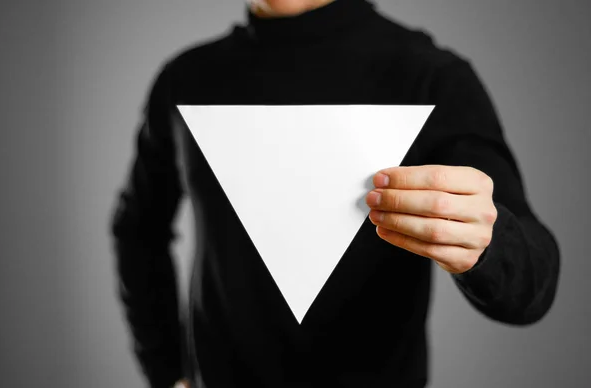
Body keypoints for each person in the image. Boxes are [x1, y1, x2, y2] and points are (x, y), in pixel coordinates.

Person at [110, 1, 561, 387]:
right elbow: (137, 228)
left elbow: (533, 281)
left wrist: (487, 243)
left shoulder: (430, 76)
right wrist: (168, 372)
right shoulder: (185, 79)